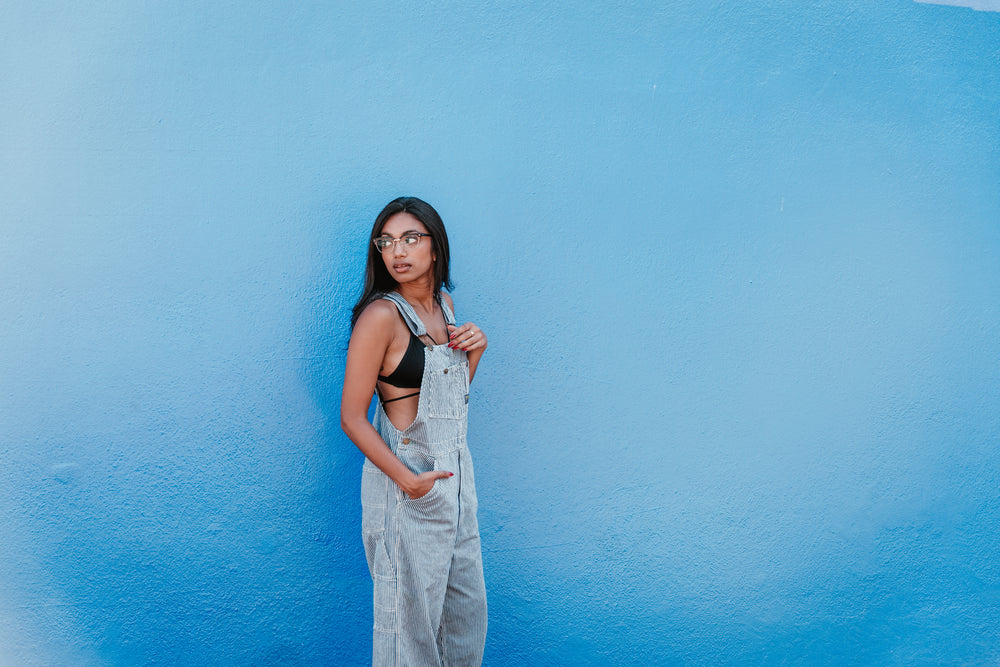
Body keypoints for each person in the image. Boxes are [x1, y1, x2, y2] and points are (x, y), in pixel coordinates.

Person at [340, 197, 488, 666]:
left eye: (410, 238)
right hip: (409, 491)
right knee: (409, 636)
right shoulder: (381, 316)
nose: (397, 251)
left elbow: (449, 399)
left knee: (464, 622)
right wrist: (407, 481)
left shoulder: (444, 307)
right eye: (386, 242)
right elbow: (351, 417)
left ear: (435, 246)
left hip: (457, 488)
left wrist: (474, 351)